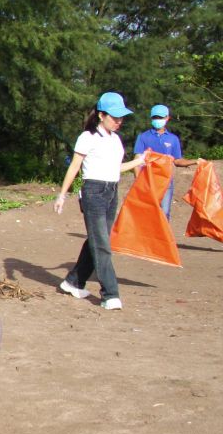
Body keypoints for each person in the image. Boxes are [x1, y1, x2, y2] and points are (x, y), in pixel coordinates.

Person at [55, 92, 146, 310]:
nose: (119, 121)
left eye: (121, 117)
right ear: (101, 115)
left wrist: (139, 161)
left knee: (97, 240)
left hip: (111, 191)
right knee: (103, 245)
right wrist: (62, 194)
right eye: (115, 117)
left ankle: (73, 281)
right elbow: (75, 166)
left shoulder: (116, 140)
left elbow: (115, 169)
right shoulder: (88, 137)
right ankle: (110, 294)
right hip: (93, 192)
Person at [133, 104, 196, 219]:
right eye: (155, 117)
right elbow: (137, 161)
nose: (158, 120)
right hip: (147, 182)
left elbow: (177, 160)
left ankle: (162, 237)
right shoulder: (143, 137)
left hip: (166, 183)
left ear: (167, 118)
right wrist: (138, 182)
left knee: (165, 213)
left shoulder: (173, 139)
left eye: (161, 117)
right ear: (151, 118)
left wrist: (195, 161)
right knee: (148, 212)